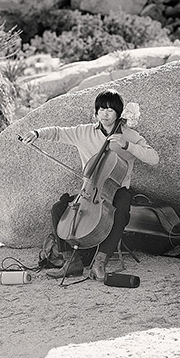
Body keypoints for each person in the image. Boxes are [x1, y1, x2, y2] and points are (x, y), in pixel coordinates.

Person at [20, 89, 159, 282]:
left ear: (118, 113)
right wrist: (36, 133)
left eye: (110, 110)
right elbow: (58, 132)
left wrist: (127, 145)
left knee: (121, 211)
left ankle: (99, 263)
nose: (105, 114)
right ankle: (72, 262)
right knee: (58, 209)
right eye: (101, 109)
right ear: (96, 112)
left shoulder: (129, 135)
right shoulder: (84, 132)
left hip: (117, 189)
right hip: (90, 189)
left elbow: (153, 158)